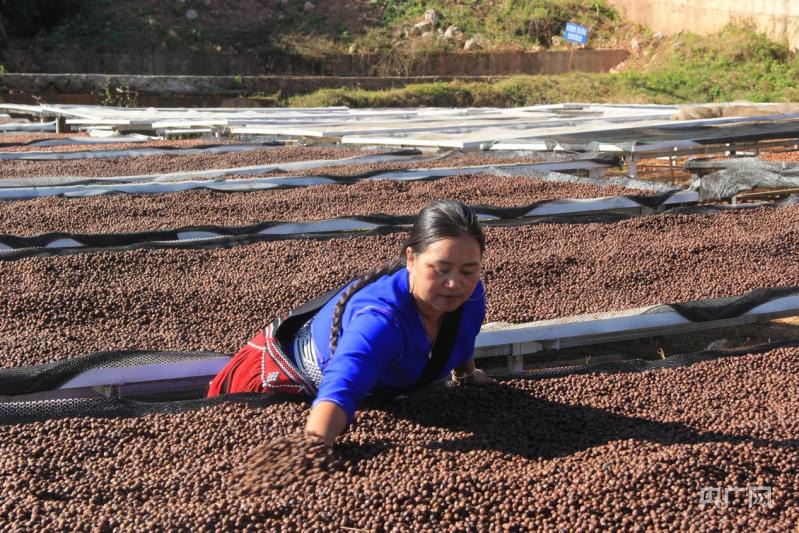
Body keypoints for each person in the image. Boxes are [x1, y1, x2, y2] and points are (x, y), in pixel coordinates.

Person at [207, 199, 494, 446]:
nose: (455, 283)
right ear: (411, 259)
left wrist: (466, 375)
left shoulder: (470, 297)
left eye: (469, 270)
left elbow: (459, 337)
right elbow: (342, 385)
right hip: (282, 386)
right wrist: (312, 448)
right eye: (441, 269)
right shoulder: (380, 322)